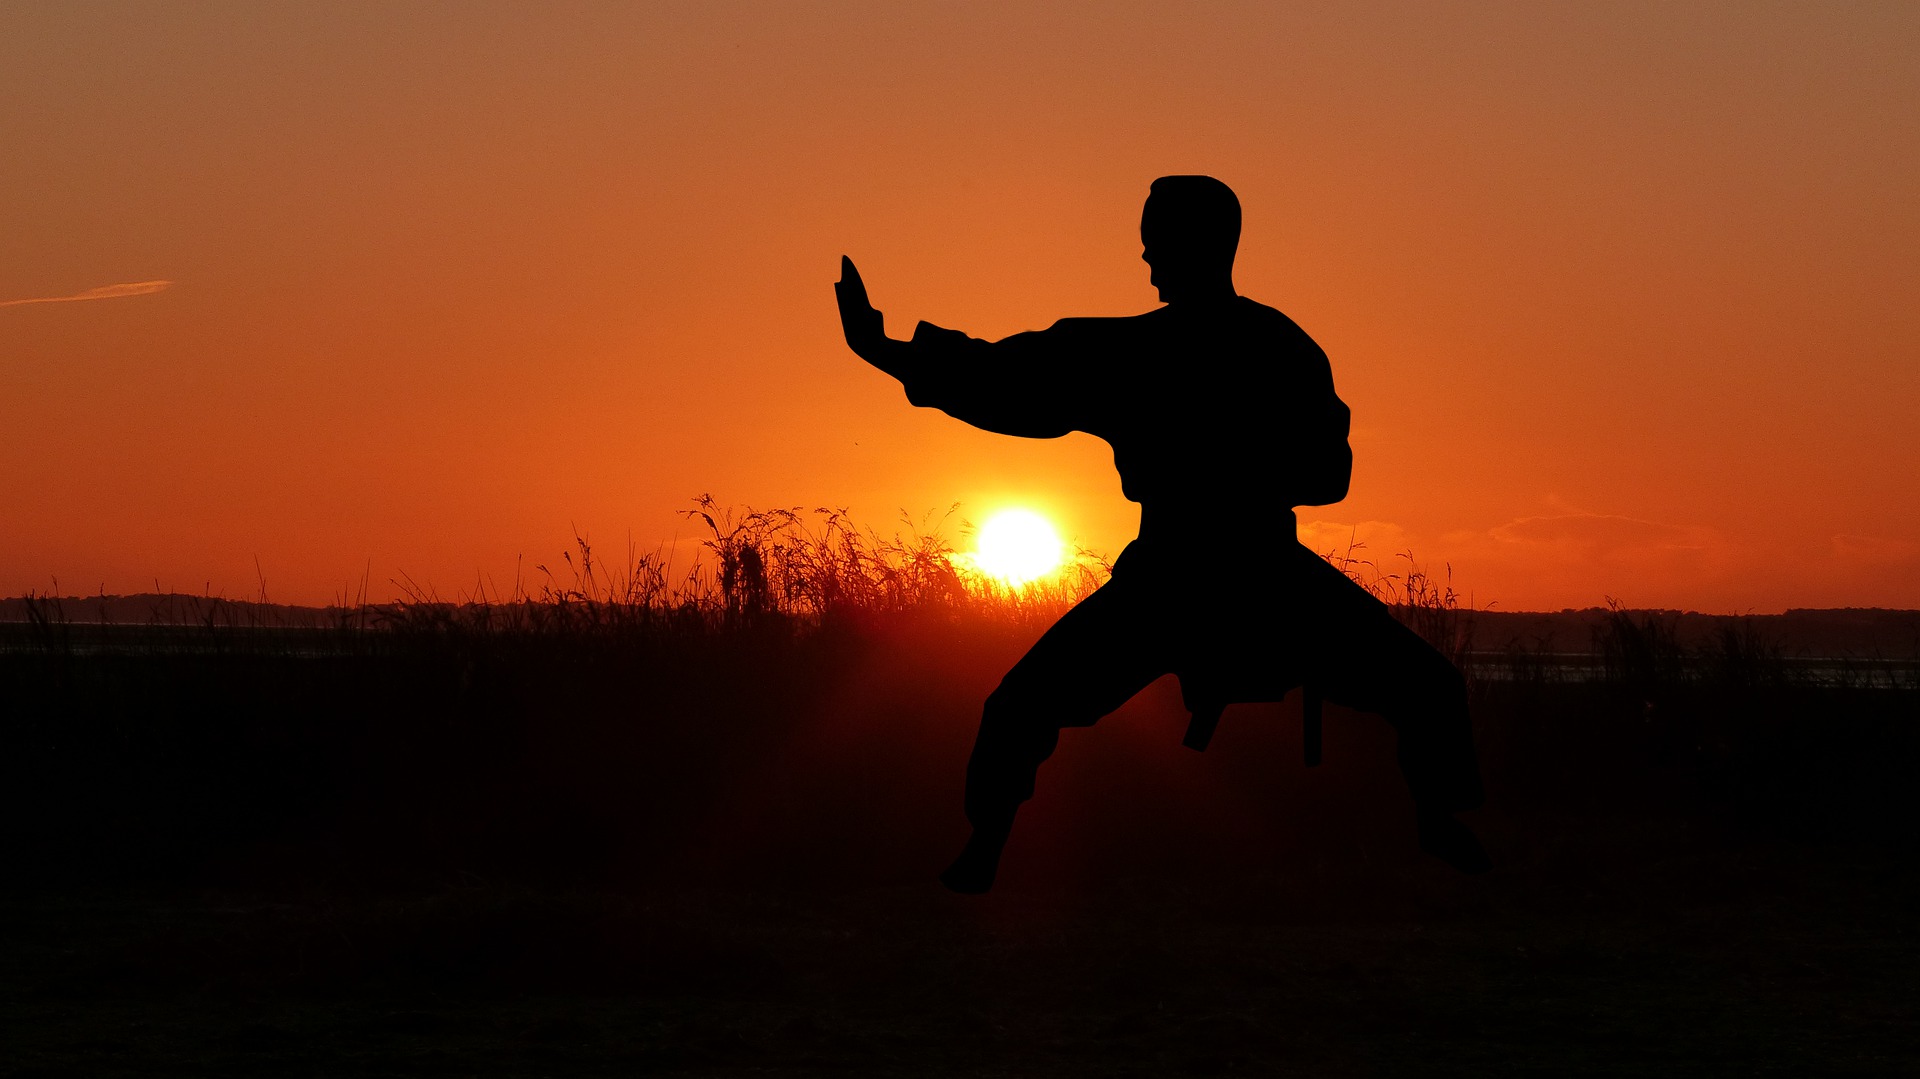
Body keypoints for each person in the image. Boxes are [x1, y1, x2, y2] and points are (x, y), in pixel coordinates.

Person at [836, 176, 1487, 893]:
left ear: (1195, 244)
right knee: (1019, 706)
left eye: (1156, 240)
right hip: (1197, 575)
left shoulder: (1220, 350)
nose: (1144, 256)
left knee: (1429, 686)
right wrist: (890, 351)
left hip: (1241, 573)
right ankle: (984, 844)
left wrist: (890, 351)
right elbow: (1008, 373)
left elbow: (1330, 472)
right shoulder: (1217, 346)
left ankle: (1437, 815)